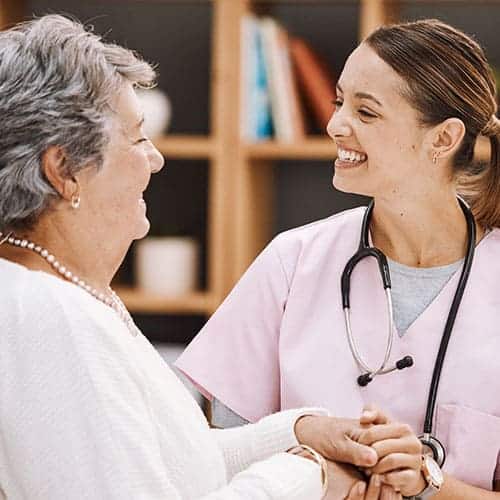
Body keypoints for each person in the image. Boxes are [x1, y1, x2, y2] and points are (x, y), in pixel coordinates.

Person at [0, 14, 387, 500]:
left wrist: (300, 432)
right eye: (138, 137)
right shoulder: (53, 321)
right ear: (64, 171)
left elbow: (175, 462)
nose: (155, 158)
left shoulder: (49, 295)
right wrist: (310, 474)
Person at [176, 18, 500, 498]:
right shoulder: (292, 262)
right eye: (338, 102)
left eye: (365, 113)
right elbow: (220, 460)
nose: (334, 125)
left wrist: (431, 484)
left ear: (443, 139)